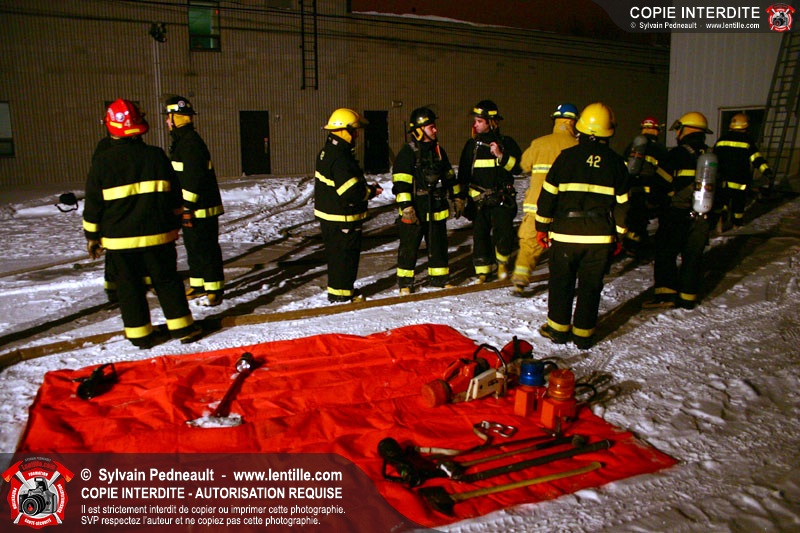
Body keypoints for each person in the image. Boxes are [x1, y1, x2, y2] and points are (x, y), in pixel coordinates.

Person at [83, 99, 202, 348]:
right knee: (167, 281)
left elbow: (93, 206)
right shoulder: (155, 156)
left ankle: (140, 336)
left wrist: (92, 237)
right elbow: (175, 196)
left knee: (129, 287)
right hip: (158, 235)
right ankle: (183, 329)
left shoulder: (102, 162)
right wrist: (175, 221)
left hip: (120, 241)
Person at [535, 102, 629, 350]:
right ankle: (584, 334)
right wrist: (619, 236)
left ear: (582, 129)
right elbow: (623, 205)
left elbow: (547, 196)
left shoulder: (566, 157)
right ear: (609, 132)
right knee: (591, 286)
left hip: (565, 235)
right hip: (599, 237)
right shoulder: (617, 163)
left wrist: (541, 227)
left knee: (561, 283)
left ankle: (558, 330)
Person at [644, 111, 716, 310]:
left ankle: (665, 295)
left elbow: (659, 185)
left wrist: (654, 205)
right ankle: (687, 298)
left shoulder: (676, 155)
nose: (677, 134)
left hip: (675, 215)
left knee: (665, 253)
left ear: (685, 130)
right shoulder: (712, 157)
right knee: (693, 257)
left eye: (679, 130)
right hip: (703, 216)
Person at [314, 108, 382, 303]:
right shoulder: (340, 157)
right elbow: (351, 192)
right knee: (345, 258)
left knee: (337, 258)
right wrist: (370, 192)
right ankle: (342, 296)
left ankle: (340, 292)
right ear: (344, 131)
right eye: (354, 131)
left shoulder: (328, 151)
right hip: (342, 217)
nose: (357, 136)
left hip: (332, 216)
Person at [163, 95, 225, 307]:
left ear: (176, 118)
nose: (167, 121)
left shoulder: (190, 143)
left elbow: (193, 178)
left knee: (206, 249)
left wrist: (187, 206)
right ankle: (199, 284)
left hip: (201, 208)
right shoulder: (182, 141)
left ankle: (214, 289)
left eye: (169, 117)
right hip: (191, 207)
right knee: (193, 248)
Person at [392, 107, 461, 294]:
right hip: (415, 209)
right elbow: (401, 184)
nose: (435, 130)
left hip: (436, 206)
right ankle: (405, 283)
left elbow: (449, 177)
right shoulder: (407, 153)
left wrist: (457, 197)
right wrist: (406, 207)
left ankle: (439, 279)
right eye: (431, 127)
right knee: (409, 247)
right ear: (419, 130)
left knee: (438, 246)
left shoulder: (439, 152)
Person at [512, 103, 579, 292]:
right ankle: (563, 283)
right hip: (564, 208)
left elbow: (524, 165)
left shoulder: (539, 143)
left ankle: (520, 279)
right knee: (564, 247)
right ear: (574, 122)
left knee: (529, 243)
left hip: (536, 205)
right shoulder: (578, 147)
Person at [457, 99, 522, 283]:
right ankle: (483, 271)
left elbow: (518, 168)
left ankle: (502, 264)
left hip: (502, 198)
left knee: (504, 234)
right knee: (480, 236)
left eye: (479, 121)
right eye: (475, 121)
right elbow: (463, 175)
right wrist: (460, 197)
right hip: (479, 201)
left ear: (491, 122)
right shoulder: (471, 146)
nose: (475, 125)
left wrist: (501, 156)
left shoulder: (507, 143)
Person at [714, 112, 774, 229]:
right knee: (738, 204)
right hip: (739, 180)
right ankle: (736, 225)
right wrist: (767, 171)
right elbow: (756, 159)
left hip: (722, 180)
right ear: (745, 127)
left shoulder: (721, 140)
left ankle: (719, 225)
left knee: (722, 202)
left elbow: (714, 157)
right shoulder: (747, 141)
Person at [621, 116, 670, 258]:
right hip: (651, 192)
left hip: (633, 190)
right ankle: (642, 250)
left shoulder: (632, 146)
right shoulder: (659, 148)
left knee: (636, 221)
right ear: (656, 130)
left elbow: (624, 166)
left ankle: (631, 246)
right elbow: (664, 172)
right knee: (646, 222)